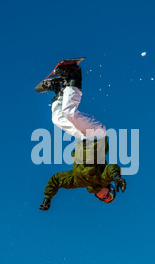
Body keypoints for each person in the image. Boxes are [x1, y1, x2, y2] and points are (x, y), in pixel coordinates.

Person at [35, 62, 127, 211]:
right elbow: (111, 168)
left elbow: (57, 180)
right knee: (70, 113)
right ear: (109, 189)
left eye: (103, 200)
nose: (103, 198)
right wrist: (117, 177)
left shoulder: (79, 182)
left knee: (57, 119)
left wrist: (47, 198)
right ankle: (74, 74)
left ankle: (59, 90)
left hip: (83, 138)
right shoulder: (102, 178)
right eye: (108, 196)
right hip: (96, 135)